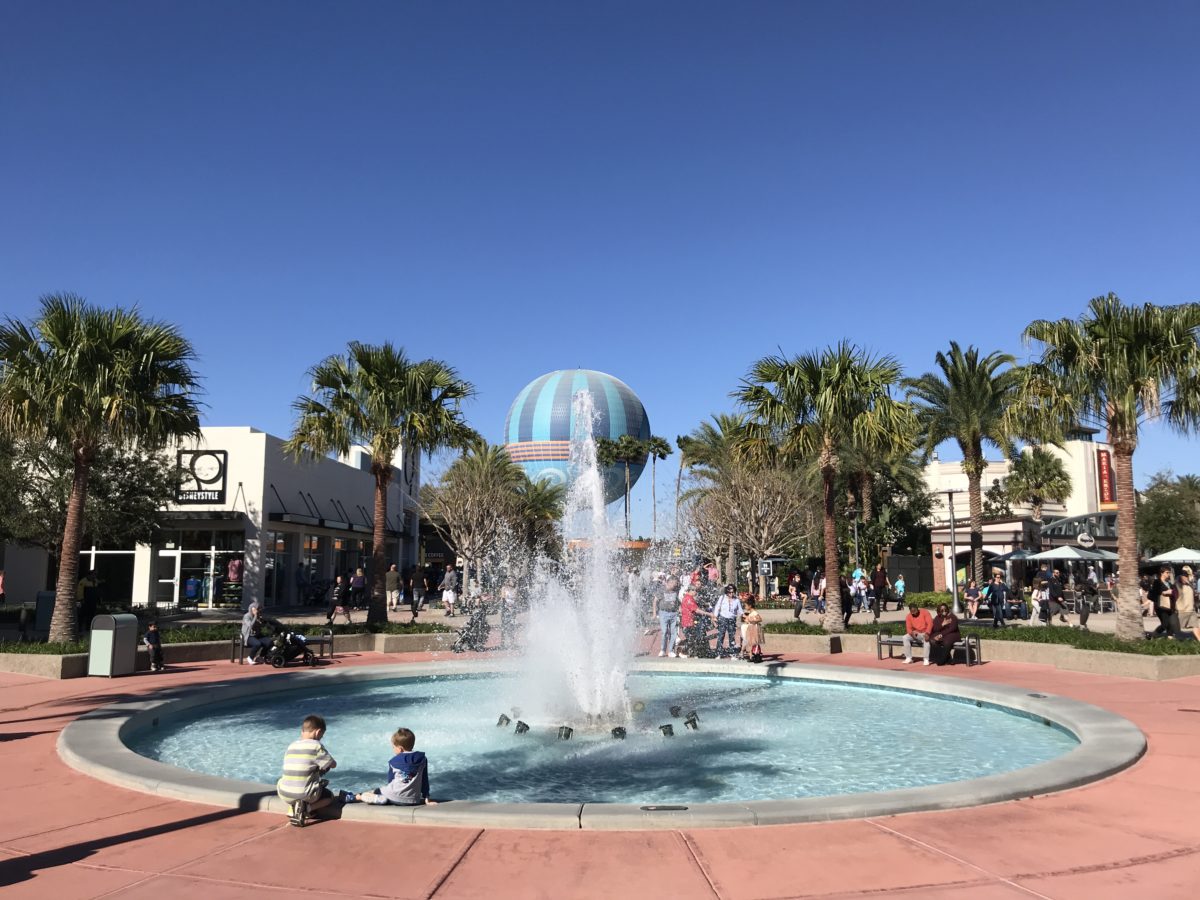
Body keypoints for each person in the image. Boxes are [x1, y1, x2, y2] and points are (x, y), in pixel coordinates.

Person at [277, 714, 337, 826]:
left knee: (291, 778)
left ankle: (293, 808)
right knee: (329, 796)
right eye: (322, 736)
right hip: (305, 794)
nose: (321, 738)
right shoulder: (316, 746)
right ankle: (307, 808)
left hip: (285, 794)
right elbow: (333, 764)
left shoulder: (291, 746)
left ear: (302, 731)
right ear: (318, 732)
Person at [356, 727, 436, 806]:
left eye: (393, 747)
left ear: (400, 748)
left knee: (375, 791)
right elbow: (424, 780)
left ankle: (362, 797)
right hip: (413, 800)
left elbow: (390, 781)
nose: (393, 749)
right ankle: (379, 797)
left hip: (393, 797)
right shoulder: (422, 759)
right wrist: (426, 797)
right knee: (382, 791)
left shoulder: (394, 761)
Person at [654, 571, 682, 657]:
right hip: (663, 613)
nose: (676, 585)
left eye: (676, 583)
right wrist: (654, 613)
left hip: (674, 613)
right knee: (665, 631)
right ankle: (663, 650)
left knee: (674, 632)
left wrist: (679, 608)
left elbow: (677, 600)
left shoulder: (676, 590)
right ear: (669, 582)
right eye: (675, 583)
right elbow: (655, 601)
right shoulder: (662, 589)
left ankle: (671, 650)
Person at [712, 584, 742, 659]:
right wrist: (715, 616)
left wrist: (746, 616)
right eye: (729, 592)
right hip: (723, 618)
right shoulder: (722, 598)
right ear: (727, 592)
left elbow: (740, 610)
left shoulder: (737, 600)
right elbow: (717, 607)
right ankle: (718, 653)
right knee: (721, 636)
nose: (731, 594)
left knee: (732, 636)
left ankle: (732, 653)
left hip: (732, 619)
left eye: (733, 592)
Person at [1149, 566, 1177, 636]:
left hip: (1170, 605)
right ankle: (1152, 635)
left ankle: (1170, 639)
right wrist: (1164, 592)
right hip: (1160, 605)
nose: (1168, 574)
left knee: (1171, 624)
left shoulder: (1169, 583)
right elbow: (1155, 592)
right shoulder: (1157, 582)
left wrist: (1172, 592)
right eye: (1167, 572)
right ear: (1162, 573)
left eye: (1169, 573)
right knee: (1165, 624)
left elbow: (1174, 592)